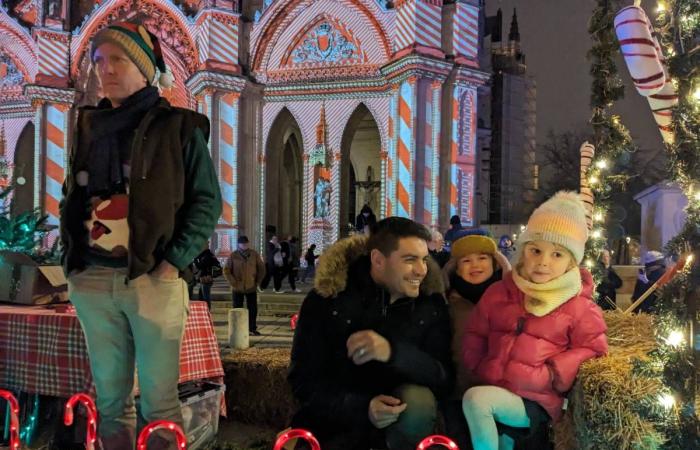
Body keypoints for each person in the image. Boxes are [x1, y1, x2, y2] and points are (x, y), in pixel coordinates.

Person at [60, 21, 222, 450]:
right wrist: (71, 265)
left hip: (153, 279)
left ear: (147, 68)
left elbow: (206, 202)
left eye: (118, 59)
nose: (105, 69)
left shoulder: (180, 128)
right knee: (111, 402)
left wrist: (172, 263)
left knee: (160, 402)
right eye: (98, 61)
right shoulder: (87, 126)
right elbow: (72, 197)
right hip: (93, 279)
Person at [288, 217, 454, 450]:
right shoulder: (328, 298)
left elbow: (444, 378)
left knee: (419, 402)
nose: (421, 270)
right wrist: (362, 408)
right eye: (410, 260)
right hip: (336, 423)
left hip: (398, 425)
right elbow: (303, 380)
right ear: (378, 260)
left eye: (424, 260)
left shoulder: (431, 303)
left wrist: (393, 353)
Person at [461, 192, 608, 450]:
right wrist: (481, 365)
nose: (543, 262)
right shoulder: (500, 292)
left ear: (571, 262)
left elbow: (595, 350)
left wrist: (552, 373)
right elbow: (475, 333)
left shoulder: (579, 306)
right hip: (495, 386)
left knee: (476, 400)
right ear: (523, 250)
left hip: (536, 402)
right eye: (536, 250)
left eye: (557, 255)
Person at [439, 230, 511, 447]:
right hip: (458, 394)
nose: (475, 265)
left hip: (499, 394)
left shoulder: (509, 298)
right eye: (466, 260)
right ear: (456, 267)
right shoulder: (447, 302)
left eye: (482, 258)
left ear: (495, 262)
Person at [224, 235, 266, 336]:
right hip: (237, 287)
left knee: (252, 308)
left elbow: (261, 269)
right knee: (237, 308)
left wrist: (257, 282)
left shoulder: (254, 254)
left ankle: (252, 328)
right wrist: (233, 282)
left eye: (246, 243)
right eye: (243, 244)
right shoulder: (233, 255)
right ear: (239, 244)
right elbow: (226, 270)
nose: (245, 245)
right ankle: (238, 329)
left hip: (251, 286)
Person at [192, 244, 221, 310]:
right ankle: (204, 311)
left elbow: (200, 266)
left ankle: (207, 311)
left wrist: (195, 258)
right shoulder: (204, 254)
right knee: (202, 296)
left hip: (206, 279)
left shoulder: (207, 255)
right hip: (204, 279)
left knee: (205, 297)